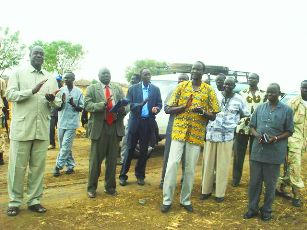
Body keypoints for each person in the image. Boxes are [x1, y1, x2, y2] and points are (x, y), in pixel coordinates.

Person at [6, 46, 61, 216]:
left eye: (41, 54)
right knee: (17, 167)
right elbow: (10, 95)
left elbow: (58, 102)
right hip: (23, 128)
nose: (39, 56)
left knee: (37, 167)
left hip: (42, 129)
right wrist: (32, 91)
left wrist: (52, 100)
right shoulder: (18, 74)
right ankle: (14, 201)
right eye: (36, 53)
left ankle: (34, 200)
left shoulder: (50, 78)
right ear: (29, 55)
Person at [161, 61, 220, 213]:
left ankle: (185, 200)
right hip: (178, 132)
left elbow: (213, 115)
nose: (195, 71)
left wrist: (202, 112)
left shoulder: (209, 91)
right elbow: (167, 109)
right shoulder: (181, 87)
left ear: (203, 72)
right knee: (172, 165)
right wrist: (183, 107)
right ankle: (167, 200)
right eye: (193, 69)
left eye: (198, 69)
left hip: (196, 134)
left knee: (190, 169)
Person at [243, 83, 293, 221]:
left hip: (274, 153)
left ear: (279, 93)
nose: (270, 95)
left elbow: (289, 131)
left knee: (270, 185)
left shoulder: (287, 110)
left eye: (273, 92)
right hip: (258, 152)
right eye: (268, 92)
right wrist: (257, 135)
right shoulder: (260, 108)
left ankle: (267, 210)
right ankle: (252, 209)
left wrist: (275, 138)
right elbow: (252, 126)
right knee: (254, 183)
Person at [200, 77, 249, 202]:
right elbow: (205, 112)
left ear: (234, 86)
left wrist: (235, 124)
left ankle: (219, 194)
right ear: (223, 85)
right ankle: (206, 191)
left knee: (222, 165)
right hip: (211, 134)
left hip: (227, 137)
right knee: (208, 165)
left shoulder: (239, 99)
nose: (227, 86)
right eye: (226, 84)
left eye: (230, 84)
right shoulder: (214, 95)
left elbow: (246, 114)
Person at [85, 67, 127, 198]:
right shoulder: (92, 88)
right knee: (95, 161)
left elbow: (126, 105)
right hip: (100, 127)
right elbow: (87, 105)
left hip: (114, 127)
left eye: (108, 73)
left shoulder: (117, 88)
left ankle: (110, 187)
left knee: (112, 160)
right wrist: (101, 105)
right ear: (98, 75)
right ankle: (92, 188)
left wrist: (122, 109)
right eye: (103, 73)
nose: (106, 75)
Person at [119, 68, 162, 186]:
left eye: (149, 74)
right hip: (135, 123)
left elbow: (159, 103)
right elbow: (129, 104)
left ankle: (140, 175)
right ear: (141, 76)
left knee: (144, 151)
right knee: (129, 149)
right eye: (145, 74)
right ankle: (123, 175)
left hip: (147, 124)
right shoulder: (133, 89)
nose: (148, 76)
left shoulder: (155, 89)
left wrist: (156, 109)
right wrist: (140, 104)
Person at [276, 80, 307, 207]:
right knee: (295, 166)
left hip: (303, 141)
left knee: (290, 167)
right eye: (304, 88)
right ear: (300, 88)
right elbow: (284, 123)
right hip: (293, 140)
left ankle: (279, 186)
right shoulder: (293, 103)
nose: (306, 90)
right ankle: (296, 194)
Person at [232, 73, 266, 187]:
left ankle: (254, 179)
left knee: (254, 154)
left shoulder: (264, 94)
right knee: (238, 154)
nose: (251, 79)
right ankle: (236, 179)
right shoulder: (241, 93)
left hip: (256, 128)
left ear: (258, 80)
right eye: (250, 78)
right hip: (242, 127)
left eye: (254, 78)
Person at [159, 73, 189, 189]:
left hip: (187, 129)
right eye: (179, 79)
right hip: (173, 127)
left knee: (186, 156)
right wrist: (181, 108)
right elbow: (166, 109)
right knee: (168, 155)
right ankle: (164, 180)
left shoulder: (193, 94)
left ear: (188, 81)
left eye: (184, 79)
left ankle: (185, 180)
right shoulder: (173, 92)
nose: (181, 81)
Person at [53, 72, 84, 177]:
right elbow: (57, 107)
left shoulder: (79, 91)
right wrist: (61, 103)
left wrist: (73, 104)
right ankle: (70, 166)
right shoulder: (61, 91)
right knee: (64, 146)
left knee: (65, 146)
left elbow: (81, 108)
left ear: (73, 79)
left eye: (68, 78)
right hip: (61, 122)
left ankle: (58, 166)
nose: (66, 80)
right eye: (64, 78)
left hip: (72, 123)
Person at [118, 74, 141, 165]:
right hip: (129, 118)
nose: (131, 81)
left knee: (141, 141)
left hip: (141, 119)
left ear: (139, 81)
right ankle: (124, 159)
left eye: (134, 80)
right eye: (131, 79)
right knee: (126, 139)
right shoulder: (130, 90)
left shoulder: (141, 91)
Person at [48, 75, 63, 150]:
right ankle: (52, 144)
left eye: (59, 81)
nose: (58, 82)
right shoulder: (51, 89)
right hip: (52, 113)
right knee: (51, 128)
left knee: (61, 128)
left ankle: (63, 144)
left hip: (61, 113)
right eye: (57, 81)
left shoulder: (63, 90)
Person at [0, 77, 7, 165]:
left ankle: (0, 157)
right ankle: (0, 158)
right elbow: (4, 97)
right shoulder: (1, 81)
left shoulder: (1, 81)